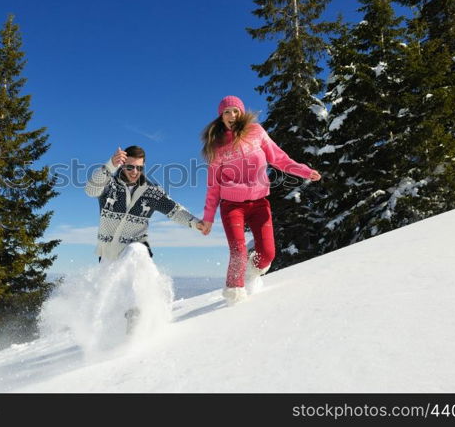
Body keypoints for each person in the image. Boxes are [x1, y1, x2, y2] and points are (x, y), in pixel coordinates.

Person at [199, 96, 321, 305]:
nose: (232, 116)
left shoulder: (256, 132)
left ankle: (250, 274)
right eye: (226, 112)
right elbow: (213, 187)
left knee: (267, 254)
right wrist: (208, 218)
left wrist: (304, 171)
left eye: (235, 111)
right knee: (238, 250)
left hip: (259, 202)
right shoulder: (217, 146)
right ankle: (234, 295)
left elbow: (279, 158)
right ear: (221, 117)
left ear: (242, 112)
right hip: (231, 205)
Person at [85, 145, 205, 331]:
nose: (135, 172)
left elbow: (174, 210)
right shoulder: (109, 184)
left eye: (139, 168)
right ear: (123, 165)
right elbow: (90, 190)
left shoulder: (152, 191)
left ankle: (144, 316)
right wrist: (109, 166)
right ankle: (119, 334)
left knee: (136, 252)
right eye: (130, 167)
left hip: (137, 243)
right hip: (109, 252)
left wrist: (195, 223)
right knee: (113, 298)